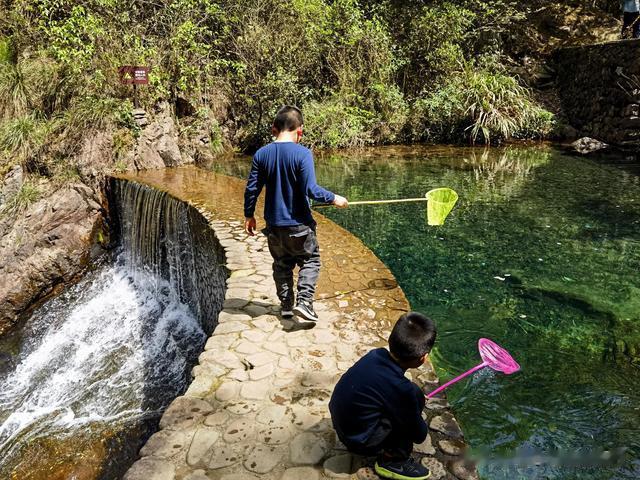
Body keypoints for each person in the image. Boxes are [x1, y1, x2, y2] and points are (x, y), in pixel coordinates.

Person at [244, 105, 348, 322]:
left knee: (282, 264)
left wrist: (249, 215)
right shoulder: (302, 154)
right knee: (310, 260)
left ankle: (286, 305)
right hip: (299, 224)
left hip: (274, 226)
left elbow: (252, 188)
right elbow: (311, 189)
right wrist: (335, 198)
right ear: (299, 130)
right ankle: (305, 302)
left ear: (274, 129)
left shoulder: (261, 154)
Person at [329, 312, 437, 480]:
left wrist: (416, 400)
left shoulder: (375, 354)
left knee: (414, 394)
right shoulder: (400, 389)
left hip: (343, 424)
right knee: (407, 417)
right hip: (358, 440)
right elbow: (419, 435)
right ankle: (392, 461)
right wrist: (416, 416)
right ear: (422, 358)